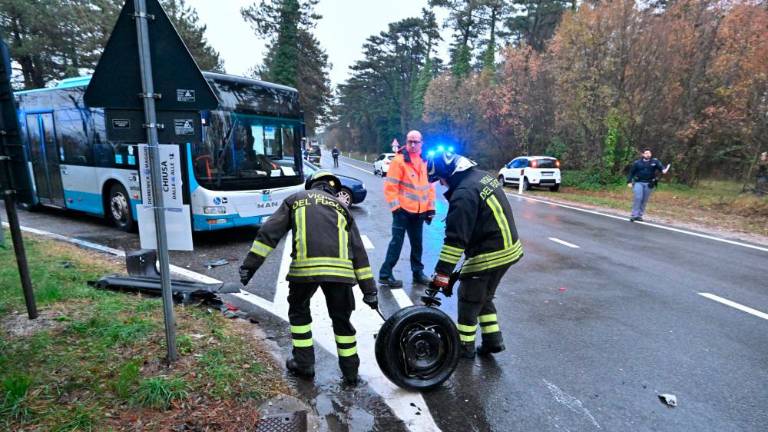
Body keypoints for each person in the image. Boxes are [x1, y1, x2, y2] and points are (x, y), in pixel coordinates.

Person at [239, 171, 379, 386]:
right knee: (342, 322)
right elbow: (359, 253)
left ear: (311, 184)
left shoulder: (296, 200)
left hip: (304, 272)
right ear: (333, 189)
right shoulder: (342, 208)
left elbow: (269, 234)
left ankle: (304, 365)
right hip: (340, 275)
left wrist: (250, 267)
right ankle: (351, 373)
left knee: (299, 313)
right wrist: (369, 291)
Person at [426, 150, 523, 359]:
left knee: (469, 297)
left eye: (440, 178)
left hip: (492, 252)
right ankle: (493, 341)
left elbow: (455, 242)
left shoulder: (463, 194)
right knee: (483, 296)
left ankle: (464, 347)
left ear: (449, 173)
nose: (441, 183)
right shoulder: (482, 176)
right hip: (509, 248)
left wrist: (441, 275)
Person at [379, 130, 436, 288]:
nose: (412, 144)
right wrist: (396, 208)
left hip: (419, 211)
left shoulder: (425, 160)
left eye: (416, 141)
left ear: (421, 143)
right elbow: (390, 186)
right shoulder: (399, 161)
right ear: (406, 141)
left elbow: (430, 187)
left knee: (417, 244)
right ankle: (385, 274)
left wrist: (430, 209)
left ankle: (418, 273)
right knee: (396, 243)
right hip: (402, 211)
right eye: (410, 141)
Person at [627, 149, 670, 222]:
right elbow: (631, 173)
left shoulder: (655, 161)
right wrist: (629, 181)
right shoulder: (637, 162)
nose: (648, 154)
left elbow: (661, 167)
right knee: (638, 198)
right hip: (638, 182)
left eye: (649, 153)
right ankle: (634, 215)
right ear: (643, 154)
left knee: (644, 200)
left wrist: (664, 170)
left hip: (649, 183)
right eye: (646, 153)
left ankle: (639, 215)